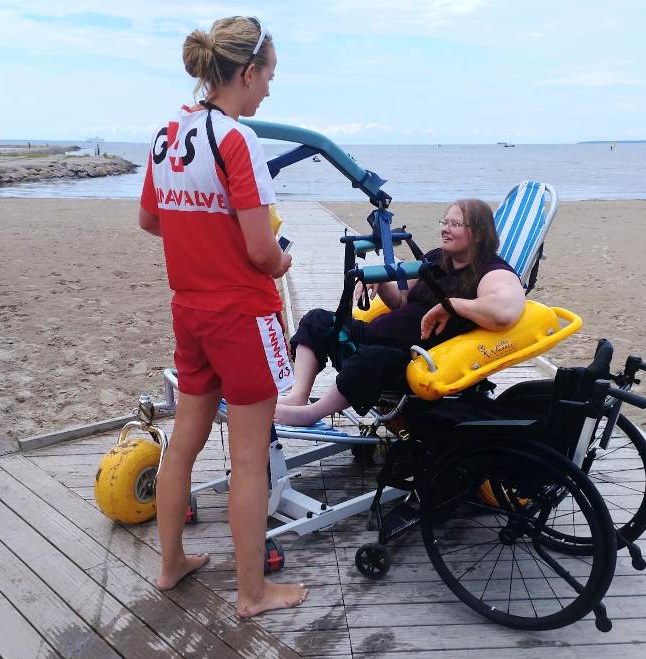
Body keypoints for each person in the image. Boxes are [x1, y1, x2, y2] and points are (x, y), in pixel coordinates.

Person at [138, 16, 307, 617]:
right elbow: (262, 251)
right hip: (241, 313)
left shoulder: (166, 134)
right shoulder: (236, 141)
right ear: (245, 71)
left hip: (190, 310)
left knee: (183, 443)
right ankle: (253, 591)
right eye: (267, 76)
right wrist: (282, 261)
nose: (268, 90)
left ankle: (169, 564)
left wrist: (202, 227)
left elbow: (152, 220)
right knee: (247, 459)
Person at [275, 199, 527, 426]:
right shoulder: (436, 258)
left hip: (415, 359)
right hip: (377, 337)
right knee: (317, 320)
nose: (445, 229)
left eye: (455, 224)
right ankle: (299, 396)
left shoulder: (491, 270)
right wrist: (381, 281)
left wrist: (454, 305)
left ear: (479, 233)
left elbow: (506, 309)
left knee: (372, 359)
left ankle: (313, 413)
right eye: (445, 221)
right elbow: (402, 301)